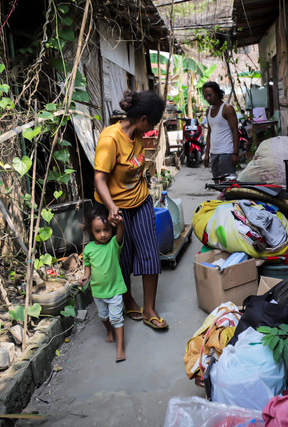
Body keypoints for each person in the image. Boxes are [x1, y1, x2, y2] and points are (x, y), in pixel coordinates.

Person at [93, 89, 169, 330]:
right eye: (153, 123)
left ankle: (149, 309)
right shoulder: (110, 138)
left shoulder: (137, 134)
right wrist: (112, 207)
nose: (153, 128)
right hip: (115, 207)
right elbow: (99, 179)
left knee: (150, 254)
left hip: (141, 201)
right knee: (122, 259)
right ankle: (127, 300)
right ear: (144, 119)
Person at [80, 205, 127, 362]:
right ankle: (109, 331)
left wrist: (119, 222)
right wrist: (85, 277)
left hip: (115, 289)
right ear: (91, 231)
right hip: (98, 292)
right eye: (98, 231)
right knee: (103, 316)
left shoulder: (114, 244)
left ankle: (120, 348)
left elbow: (120, 233)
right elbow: (87, 268)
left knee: (116, 318)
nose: (103, 234)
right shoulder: (88, 249)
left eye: (106, 229)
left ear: (111, 228)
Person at [202, 81, 239, 182]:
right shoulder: (208, 111)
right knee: (217, 184)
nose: (208, 98)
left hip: (227, 153)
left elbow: (235, 131)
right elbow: (209, 133)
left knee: (228, 185)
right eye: (205, 96)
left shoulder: (227, 109)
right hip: (214, 153)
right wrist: (206, 154)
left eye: (210, 95)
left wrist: (235, 153)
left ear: (218, 93)